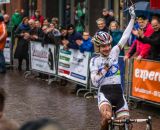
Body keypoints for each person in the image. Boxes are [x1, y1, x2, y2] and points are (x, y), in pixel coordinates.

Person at [90, 6, 135, 130]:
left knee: (126, 124)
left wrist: (132, 18)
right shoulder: (95, 60)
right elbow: (94, 82)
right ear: (98, 47)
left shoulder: (114, 52)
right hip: (104, 94)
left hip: (119, 94)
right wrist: (105, 68)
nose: (107, 48)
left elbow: (125, 36)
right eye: (103, 46)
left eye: (108, 45)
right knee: (107, 117)